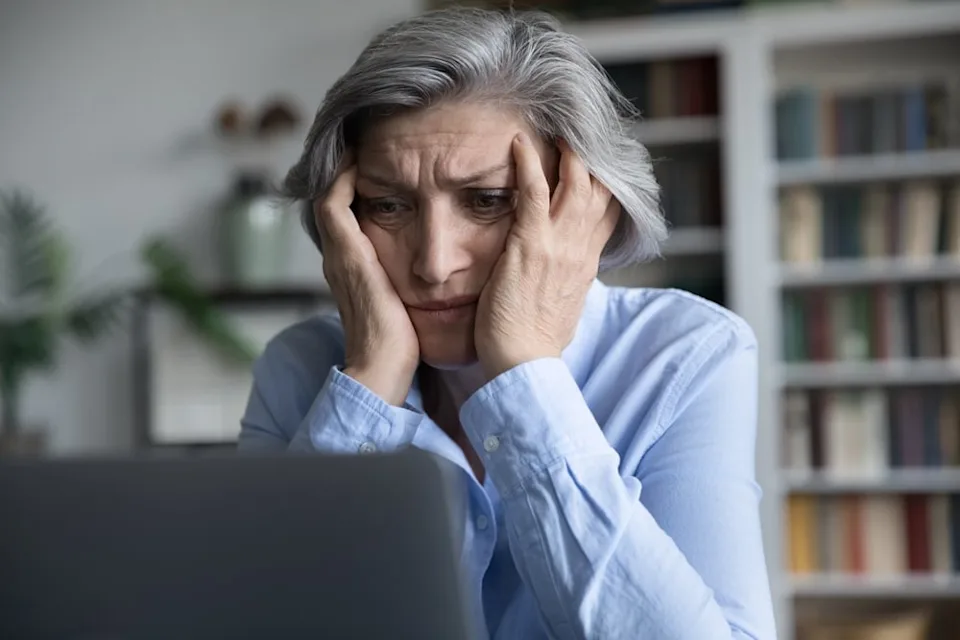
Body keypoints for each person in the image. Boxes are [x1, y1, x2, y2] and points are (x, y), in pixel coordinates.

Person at [239, 7, 776, 639]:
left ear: (584, 204)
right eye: (388, 206)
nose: (434, 262)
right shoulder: (300, 368)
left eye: (488, 200)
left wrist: (524, 372)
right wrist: (371, 382)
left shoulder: (686, 356)